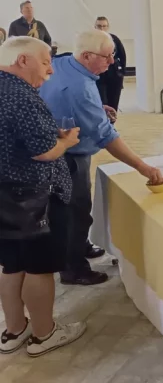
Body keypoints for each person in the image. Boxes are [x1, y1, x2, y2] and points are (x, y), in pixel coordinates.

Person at [39, 30, 163, 286]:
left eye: (113, 55)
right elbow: (106, 136)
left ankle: (79, 246)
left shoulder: (62, 63)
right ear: (86, 55)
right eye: (106, 57)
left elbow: (77, 104)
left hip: (57, 143)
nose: (112, 63)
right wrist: (142, 166)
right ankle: (73, 268)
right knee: (76, 211)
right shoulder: (80, 89)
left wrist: (97, 109)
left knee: (68, 210)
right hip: (69, 156)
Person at [0, 37, 87, 356]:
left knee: (12, 265)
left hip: (4, 194)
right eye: (46, 61)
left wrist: (52, 136)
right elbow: (43, 153)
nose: (51, 69)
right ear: (22, 60)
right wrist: (65, 142)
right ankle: (43, 334)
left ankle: (14, 329)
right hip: (34, 197)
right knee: (39, 267)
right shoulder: (20, 94)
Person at [94, 16, 127, 111]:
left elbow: (122, 55)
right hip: (98, 76)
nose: (102, 28)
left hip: (114, 74)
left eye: (104, 26)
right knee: (101, 102)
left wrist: (122, 73)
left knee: (113, 102)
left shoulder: (114, 39)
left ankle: (111, 123)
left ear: (108, 27)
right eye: (99, 26)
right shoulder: (91, 40)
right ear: (95, 27)